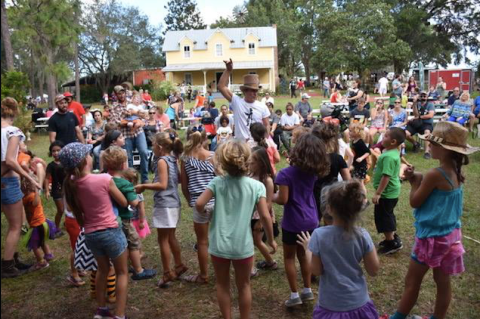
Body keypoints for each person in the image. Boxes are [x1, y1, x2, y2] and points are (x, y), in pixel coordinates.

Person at [390, 122, 479, 319]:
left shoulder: (434, 174)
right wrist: (418, 176)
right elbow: (434, 185)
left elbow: (415, 202)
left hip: (431, 239)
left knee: (412, 281)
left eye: (431, 143)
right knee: (443, 282)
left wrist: (413, 182)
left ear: (444, 149)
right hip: (450, 236)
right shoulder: (455, 170)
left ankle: (398, 317)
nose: (428, 146)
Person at [195, 139, 276, 319]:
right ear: (246, 161)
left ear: (223, 162)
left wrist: (209, 212)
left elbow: (199, 204)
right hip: (243, 246)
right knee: (244, 285)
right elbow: (265, 216)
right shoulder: (257, 186)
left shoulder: (217, 182)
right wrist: (270, 239)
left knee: (222, 285)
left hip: (219, 245)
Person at [60, 142, 129, 319]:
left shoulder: (71, 183)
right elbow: (123, 202)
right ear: (85, 161)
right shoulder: (104, 179)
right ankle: (120, 314)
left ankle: (101, 309)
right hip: (111, 231)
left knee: (102, 269)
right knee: (122, 272)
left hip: (90, 234)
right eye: (88, 154)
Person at [298, 180, 380, 319]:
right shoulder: (362, 235)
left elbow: (316, 271)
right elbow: (373, 270)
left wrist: (307, 248)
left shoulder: (319, 235)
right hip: (358, 303)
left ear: (329, 208)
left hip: (331, 305)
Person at [274, 133, 330, 307]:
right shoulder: (313, 173)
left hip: (292, 222)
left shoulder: (284, 174)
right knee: (305, 255)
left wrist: (270, 195)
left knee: (289, 258)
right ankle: (307, 290)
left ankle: (294, 295)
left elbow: (283, 199)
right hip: (311, 219)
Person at [135, 132, 187, 288]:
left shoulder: (161, 161)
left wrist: (144, 186)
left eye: (152, 145)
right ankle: (178, 265)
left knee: (163, 239)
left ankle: (167, 273)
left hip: (165, 204)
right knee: (171, 237)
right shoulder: (173, 159)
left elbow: (162, 185)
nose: (152, 148)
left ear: (159, 147)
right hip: (174, 202)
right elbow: (177, 179)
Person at [101, 146, 156, 281]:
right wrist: (135, 195)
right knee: (133, 242)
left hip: (109, 219)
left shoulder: (104, 179)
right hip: (124, 219)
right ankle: (138, 270)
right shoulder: (125, 184)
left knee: (121, 244)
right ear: (123, 164)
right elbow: (134, 203)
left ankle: (124, 265)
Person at [1, 97, 41, 278]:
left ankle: (12, 257)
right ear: (14, 112)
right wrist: (30, 178)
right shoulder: (12, 131)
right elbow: (10, 160)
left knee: (12, 226)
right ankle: (7, 265)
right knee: (16, 226)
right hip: (8, 183)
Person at [180, 127, 216, 284]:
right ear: (204, 139)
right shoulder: (213, 156)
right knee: (218, 238)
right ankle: (222, 271)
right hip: (216, 202)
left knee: (202, 241)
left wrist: (189, 200)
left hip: (199, 202)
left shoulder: (185, 158)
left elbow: (184, 184)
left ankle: (204, 275)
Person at [218, 59, 270, 141]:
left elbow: (266, 124)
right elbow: (221, 86)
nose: (255, 93)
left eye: (256, 91)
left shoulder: (262, 106)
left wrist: (265, 140)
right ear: (245, 91)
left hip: (257, 145)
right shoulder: (237, 102)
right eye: (252, 90)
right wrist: (228, 70)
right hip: (241, 145)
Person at [372, 127, 405, 255]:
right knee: (387, 215)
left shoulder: (388, 157)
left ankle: (392, 243)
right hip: (391, 192)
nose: (382, 138)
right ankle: (389, 238)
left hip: (387, 193)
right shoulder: (392, 152)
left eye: (385, 136)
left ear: (393, 142)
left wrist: (378, 193)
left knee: (384, 218)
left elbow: (386, 176)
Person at [311, 122, 351, 224]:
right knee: (330, 219)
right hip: (332, 193)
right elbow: (348, 180)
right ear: (331, 141)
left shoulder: (311, 158)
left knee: (315, 219)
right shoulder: (337, 158)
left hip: (314, 193)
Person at [110, 85, 149, 183]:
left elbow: (144, 115)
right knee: (128, 157)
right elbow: (116, 122)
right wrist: (127, 121)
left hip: (138, 132)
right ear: (116, 95)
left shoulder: (132, 102)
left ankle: (145, 178)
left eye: (123, 93)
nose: (122, 95)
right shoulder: (114, 107)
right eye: (119, 93)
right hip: (125, 135)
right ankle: (131, 179)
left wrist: (139, 120)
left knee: (144, 152)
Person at [249, 147, 278, 275]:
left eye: (252, 162)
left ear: (261, 163)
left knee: (256, 241)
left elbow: (268, 203)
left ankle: (256, 267)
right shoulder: (249, 176)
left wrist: (261, 220)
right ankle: (269, 262)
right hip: (249, 214)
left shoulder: (267, 180)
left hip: (260, 215)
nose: (249, 164)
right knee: (252, 240)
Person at [21, 173, 56, 271]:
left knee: (34, 245)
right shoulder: (25, 198)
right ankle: (48, 255)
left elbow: (35, 203)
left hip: (38, 224)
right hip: (40, 223)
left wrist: (37, 190)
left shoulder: (32, 196)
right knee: (41, 241)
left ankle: (41, 262)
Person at [44, 141, 67, 237]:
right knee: (61, 210)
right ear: (51, 153)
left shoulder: (67, 162)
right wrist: (47, 190)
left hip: (67, 190)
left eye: (58, 150)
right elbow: (47, 178)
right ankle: (56, 228)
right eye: (53, 151)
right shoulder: (51, 166)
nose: (56, 153)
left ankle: (68, 223)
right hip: (56, 190)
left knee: (69, 209)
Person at [405, 91, 435, 159]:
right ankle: (416, 143)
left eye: (424, 96)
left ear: (427, 97)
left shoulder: (430, 104)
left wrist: (419, 117)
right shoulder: (417, 104)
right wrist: (414, 103)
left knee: (427, 133)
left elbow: (430, 115)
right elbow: (416, 114)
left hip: (426, 124)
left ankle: (427, 152)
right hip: (417, 123)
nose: (423, 97)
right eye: (421, 96)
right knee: (405, 133)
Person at [349, 122, 370, 193]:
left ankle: (364, 198)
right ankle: (357, 194)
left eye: (351, 131)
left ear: (356, 132)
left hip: (361, 165)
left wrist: (361, 158)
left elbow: (368, 152)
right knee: (355, 180)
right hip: (356, 164)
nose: (349, 132)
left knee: (361, 182)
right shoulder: (353, 141)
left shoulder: (360, 142)